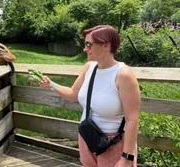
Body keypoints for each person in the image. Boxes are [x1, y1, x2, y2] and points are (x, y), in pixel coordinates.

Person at [39, 25, 140, 167]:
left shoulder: (123, 75)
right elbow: (73, 94)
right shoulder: (89, 67)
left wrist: (126, 158)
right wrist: (51, 85)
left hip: (114, 142)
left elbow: (132, 120)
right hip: (88, 137)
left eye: (88, 44)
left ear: (106, 45)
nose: (85, 49)